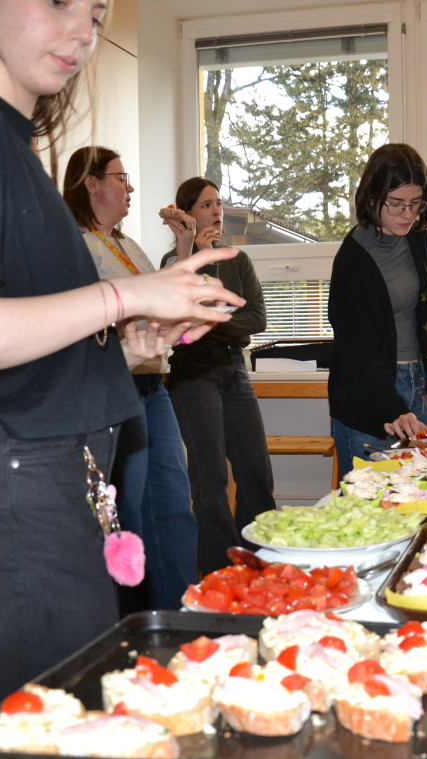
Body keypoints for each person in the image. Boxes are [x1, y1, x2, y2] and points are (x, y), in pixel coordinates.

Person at [0, 0, 244, 712]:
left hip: (38, 485)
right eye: (57, 1)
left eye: (97, 11)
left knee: (67, 732)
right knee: (60, 738)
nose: (82, 29)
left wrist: (126, 348)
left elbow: (14, 346)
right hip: (8, 495)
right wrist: (124, 295)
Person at [63, 146, 201, 607]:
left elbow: (165, 300)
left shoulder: (128, 245)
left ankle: (182, 612)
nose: (130, 188)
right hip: (116, 391)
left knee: (175, 504)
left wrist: (185, 248)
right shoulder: (75, 246)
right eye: (120, 178)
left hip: (154, 388)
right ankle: (138, 621)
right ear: (91, 183)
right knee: (132, 512)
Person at [327, 143, 427, 478]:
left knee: (415, 493)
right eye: (396, 204)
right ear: (371, 198)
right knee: (371, 501)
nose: (407, 214)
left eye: (415, 203)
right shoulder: (353, 260)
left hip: (415, 381)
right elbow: (358, 351)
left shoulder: (415, 239)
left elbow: (399, 306)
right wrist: (392, 407)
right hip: (369, 394)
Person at [157, 177, 276, 576]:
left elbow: (257, 319)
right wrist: (200, 260)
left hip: (235, 369)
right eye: (206, 205)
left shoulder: (238, 260)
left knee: (256, 472)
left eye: (219, 203)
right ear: (187, 215)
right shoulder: (174, 262)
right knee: (209, 482)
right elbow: (181, 320)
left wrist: (210, 320)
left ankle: (259, 566)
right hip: (194, 374)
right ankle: (221, 576)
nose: (216, 211)